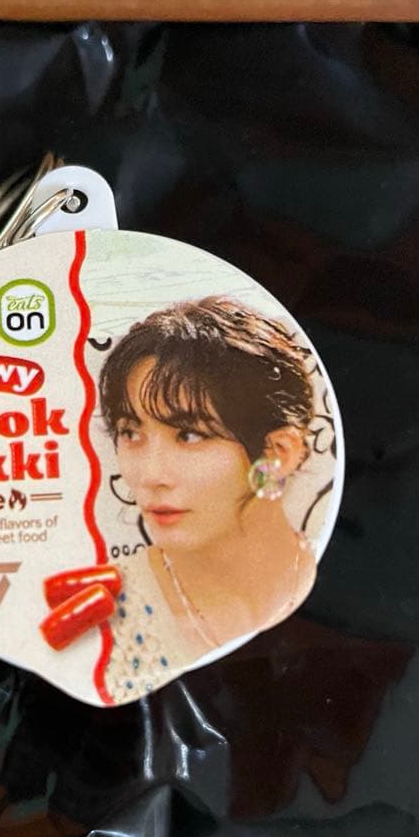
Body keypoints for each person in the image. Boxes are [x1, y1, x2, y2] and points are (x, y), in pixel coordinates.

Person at [96, 295, 318, 704]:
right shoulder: (109, 610)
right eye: (130, 433)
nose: (150, 476)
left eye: (189, 435)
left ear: (277, 453)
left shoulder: (345, 583)